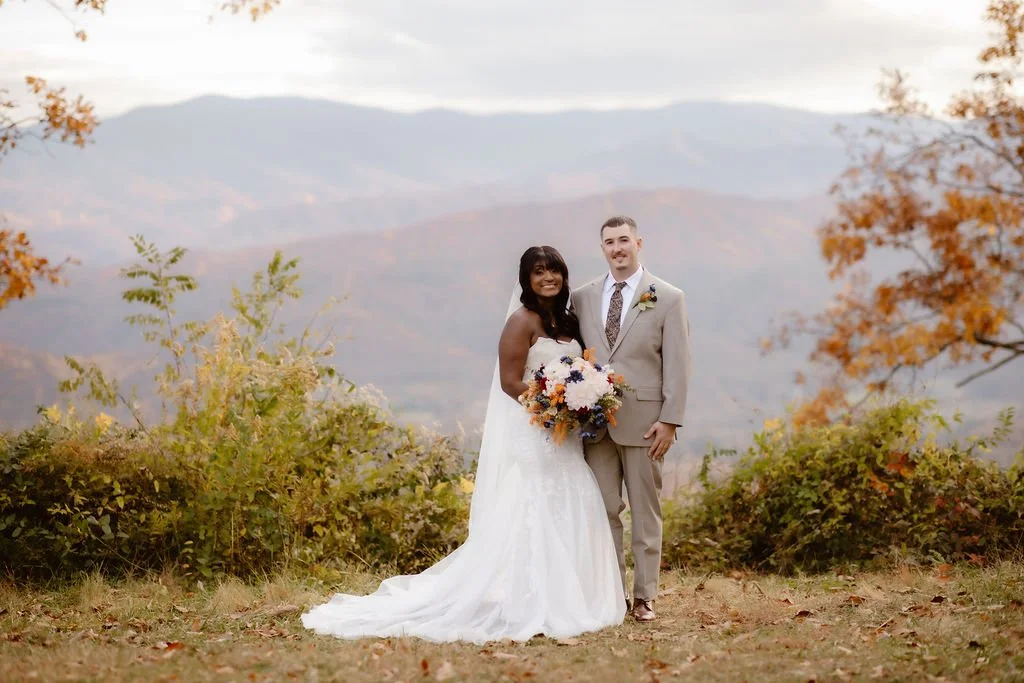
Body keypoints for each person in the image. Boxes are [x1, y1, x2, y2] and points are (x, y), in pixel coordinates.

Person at [300, 245, 625, 643]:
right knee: (536, 503)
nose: (548, 278)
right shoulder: (520, 321)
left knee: (573, 497)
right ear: (526, 279)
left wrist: (581, 400)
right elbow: (510, 382)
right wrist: (551, 406)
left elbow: (579, 371)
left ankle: (574, 594)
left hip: (566, 437)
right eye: (539, 272)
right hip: (537, 431)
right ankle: (533, 599)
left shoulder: (569, 321)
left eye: (554, 270)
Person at [573, 216, 691, 622]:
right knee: (603, 509)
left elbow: (678, 364)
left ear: (639, 243)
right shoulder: (583, 297)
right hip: (595, 424)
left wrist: (670, 421)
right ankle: (611, 594)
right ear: (602, 248)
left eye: (624, 240)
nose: (617, 248)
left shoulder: (668, 297)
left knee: (645, 512)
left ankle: (644, 597)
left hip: (646, 423)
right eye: (609, 242)